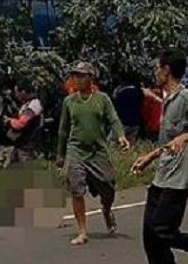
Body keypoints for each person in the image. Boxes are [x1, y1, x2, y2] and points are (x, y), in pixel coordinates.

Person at [132, 49, 188, 264]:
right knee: (150, 236)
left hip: (179, 178)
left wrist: (185, 137)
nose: (155, 73)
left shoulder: (186, 97)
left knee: (162, 230)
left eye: (157, 68)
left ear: (166, 70)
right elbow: (167, 141)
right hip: (163, 174)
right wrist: (150, 157)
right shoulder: (168, 100)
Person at [57, 61, 130, 246]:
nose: (78, 79)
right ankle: (82, 231)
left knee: (108, 186)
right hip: (76, 150)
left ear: (91, 77)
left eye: (82, 75)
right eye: (75, 75)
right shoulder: (69, 101)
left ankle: (106, 209)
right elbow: (63, 130)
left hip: (97, 151)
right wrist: (60, 154)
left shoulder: (102, 99)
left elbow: (114, 119)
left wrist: (121, 136)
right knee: (76, 189)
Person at [4, 80, 45, 165]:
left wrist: (9, 121)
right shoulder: (28, 104)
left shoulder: (33, 105)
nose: (16, 95)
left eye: (17, 92)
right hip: (22, 146)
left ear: (23, 92)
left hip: (27, 148)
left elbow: (21, 124)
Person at [112, 73, 143, 142]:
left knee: (112, 142)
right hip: (135, 123)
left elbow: (117, 108)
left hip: (123, 123)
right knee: (130, 143)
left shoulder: (121, 93)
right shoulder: (138, 92)